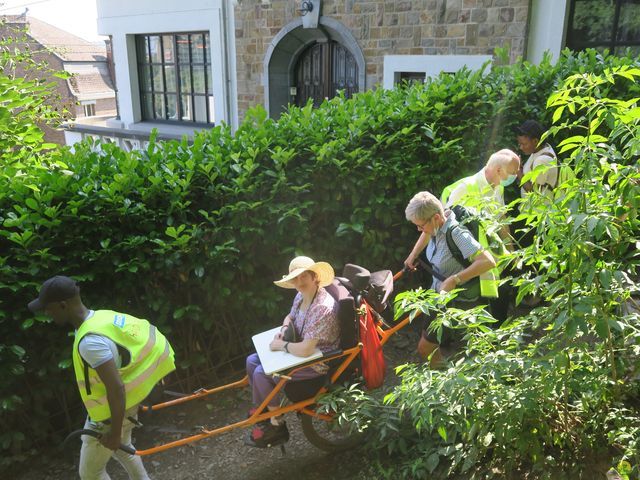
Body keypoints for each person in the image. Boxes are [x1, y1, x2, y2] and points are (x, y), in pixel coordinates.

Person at [28, 275, 175, 480]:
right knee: (123, 449)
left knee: (90, 473)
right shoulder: (101, 317)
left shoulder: (90, 342)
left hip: (110, 414)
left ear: (63, 305)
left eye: (48, 307)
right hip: (125, 407)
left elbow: (116, 388)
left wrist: (113, 432)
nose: (46, 312)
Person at [245, 256, 340, 448]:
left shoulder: (322, 307)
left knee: (261, 373)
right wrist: (284, 329)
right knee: (252, 361)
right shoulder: (302, 295)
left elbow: (306, 350)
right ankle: (263, 411)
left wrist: (281, 346)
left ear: (315, 277)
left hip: (317, 362)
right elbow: (290, 316)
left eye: (303, 277)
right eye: (294, 279)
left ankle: (276, 425)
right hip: (301, 347)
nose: (298, 282)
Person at [404, 191, 496, 367]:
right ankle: (444, 373)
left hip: (459, 303)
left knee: (475, 351)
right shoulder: (435, 226)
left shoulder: (457, 234)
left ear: (436, 218)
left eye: (420, 225)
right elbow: (426, 233)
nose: (419, 230)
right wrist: (412, 255)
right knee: (426, 349)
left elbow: (488, 261)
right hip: (438, 295)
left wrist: (455, 279)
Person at [441, 149, 521, 324]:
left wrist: (511, 249)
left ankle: (498, 335)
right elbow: (445, 225)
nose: (515, 177)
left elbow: (501, 218)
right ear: (499, 170)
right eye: (513, 173)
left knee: (501, 292)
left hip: (491, 255)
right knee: (472, 302)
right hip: (468, 258)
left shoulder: (498, 186)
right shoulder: (465, 188)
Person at [516, 119, 558, 198]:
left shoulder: (542, 160)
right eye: (519, 144)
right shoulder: (542, 149)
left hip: (539, 209)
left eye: (524, 144)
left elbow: (533, 191)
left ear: (535, 141)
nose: (521, 147)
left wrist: (518, 171)